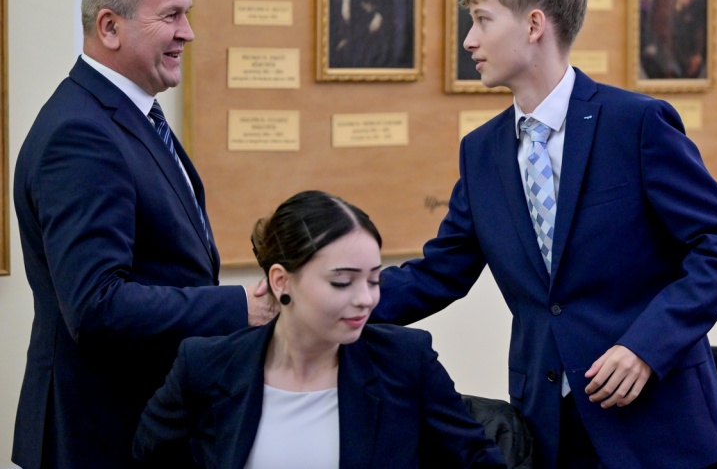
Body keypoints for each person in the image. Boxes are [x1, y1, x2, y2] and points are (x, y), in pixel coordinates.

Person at [372, 0, 717, 469]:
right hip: (549, 427)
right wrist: (320, 302)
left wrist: (647, 346)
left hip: (660, 426)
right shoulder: (481, 152)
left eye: (482, 20)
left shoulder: (636, 124)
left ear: (534, 25)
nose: (469, 40)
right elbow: (437, 273)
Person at [11, 0, 278, 468]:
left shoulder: (127, 114)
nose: (188, 32)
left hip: (145, 424)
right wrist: (237, 308)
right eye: (171, 16)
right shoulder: (80, 133)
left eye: (187, 14)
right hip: (101, 436)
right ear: (110, 27)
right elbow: (96, 305)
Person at [133, 190, 506, 468]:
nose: (366, 299)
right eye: (342, 282)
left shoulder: (406, 361)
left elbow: (478, 459)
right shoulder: (205, 367)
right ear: (281, 281)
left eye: (374, 280)